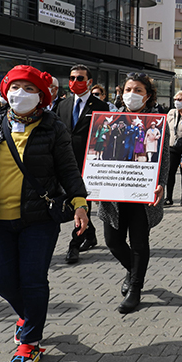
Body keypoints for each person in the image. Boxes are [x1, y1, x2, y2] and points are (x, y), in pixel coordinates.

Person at [0, 65, 89, 362]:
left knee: (33, 280)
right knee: (0, 280)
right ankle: (29, 316)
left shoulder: (54, 128)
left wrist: (80, 204)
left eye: (30, 88)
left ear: (42, 96)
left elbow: (68, 170)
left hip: (38, 219)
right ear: (6, 90)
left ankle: (30, 341)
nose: (21, 94)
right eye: (16, 87)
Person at [100, 74, 169, 314]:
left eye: (138, 89)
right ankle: (132, 269)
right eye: (128, 89)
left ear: (147, 95)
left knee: (139, 242)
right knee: (113, 241)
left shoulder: (157, 121)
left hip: (142, 192)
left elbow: (164, 157)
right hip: (113, 192)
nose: (132, 93)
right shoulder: (109, 119)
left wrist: (161, 183)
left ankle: (136, 289)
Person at [56, 64, 109, 263]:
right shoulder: (63, 105)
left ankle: (74, 245)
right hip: (67, 164)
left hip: (90, 165)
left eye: (80, 78)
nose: (75, 82)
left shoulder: (101, 107)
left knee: (82, 204)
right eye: (72, 78)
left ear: (89, 82)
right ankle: (90, 233)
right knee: (73, 204)